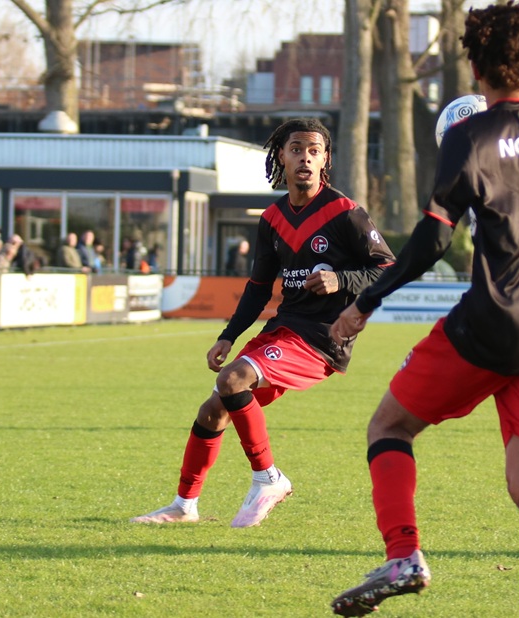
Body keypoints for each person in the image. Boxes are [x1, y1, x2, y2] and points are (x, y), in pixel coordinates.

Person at [327, 4, 519, 617]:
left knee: (388, 428)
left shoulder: (472, 136)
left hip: (494, 321)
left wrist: (366, 301)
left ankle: (403, 555)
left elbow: (431, 240)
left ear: (476, 63)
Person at [131, 117, 396, 528]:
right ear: (281, 157)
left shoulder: (346, 213)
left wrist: (340, 279)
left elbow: (388, 268)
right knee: (212, 411)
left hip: (323, 338)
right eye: (295, 149)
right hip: (283, 329)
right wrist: (228, 335)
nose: (304, 158)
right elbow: (257, 287)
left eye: (313, 150)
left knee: (233, 381)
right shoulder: (272, 217)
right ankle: (184, 505)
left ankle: (269, 478)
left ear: (325, 159)